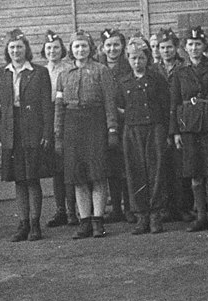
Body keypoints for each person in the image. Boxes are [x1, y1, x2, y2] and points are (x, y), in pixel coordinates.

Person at [0, 29, 54, 242]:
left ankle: (35, 224)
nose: (16, 51)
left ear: (26, 49)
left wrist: (47, 131)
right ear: (7, 51)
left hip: (32, 128)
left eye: (19, 47)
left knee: (32, 177)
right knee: (19, 179)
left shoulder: (39, 72)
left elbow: (47, 104)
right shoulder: (0, 74)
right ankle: (23, 224)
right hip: (10, 129)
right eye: (12, 48)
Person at [55, 30, 118, 238]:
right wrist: (58, 134)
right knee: (78, 177)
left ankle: (98, 220)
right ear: (71, 50)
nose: (80, 50)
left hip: (95, 123)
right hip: (72, 125)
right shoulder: (64, 74)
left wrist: (111, 129)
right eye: (76, 46)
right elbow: (59, 107)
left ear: (90, 48)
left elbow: (110, 102)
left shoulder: (101, 71)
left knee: (97, 174)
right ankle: (84, 221)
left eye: (84, 46)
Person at [169, 27, 208, 232]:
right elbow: (174, 103)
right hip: (188, 126)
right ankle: (200, 216)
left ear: (204, 46)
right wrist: (175, 131)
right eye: (190, 45)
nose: (194, 48)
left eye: (198, 44)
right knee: (194, 173)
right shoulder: (180, 72)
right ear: (185, 48)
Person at [116, 39, 169, 234]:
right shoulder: (123, 81)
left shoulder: (157, 79)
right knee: (135, 171)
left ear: (147, 58)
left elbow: (166, 106)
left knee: (156, 170)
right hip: (132, 130)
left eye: (141, 58)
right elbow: (119, 107)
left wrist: (167, 132)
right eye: (133, 58)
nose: (137, 62)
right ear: (128, 59)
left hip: (155, 128)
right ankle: (142, 216)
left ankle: (156, 215)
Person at [153, 28, 192, 223]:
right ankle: (166, 207)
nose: (166, 51)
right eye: (162, 48)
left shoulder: (184, 67)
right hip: (159, 120)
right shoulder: (153, 70)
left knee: (180, 165)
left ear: (176, 48)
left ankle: (183, 206)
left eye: (169, 47)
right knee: (163, 165)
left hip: (180, 118)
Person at [41, 30, 78, 227]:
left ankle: (73, 211)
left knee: (69, 166)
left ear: (62, 49)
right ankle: (60, 210)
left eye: (56, 47)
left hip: (66, 118)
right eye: (48, 48)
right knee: (56, 169)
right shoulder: (41, 71)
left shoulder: (69, 69)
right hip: (49, 120)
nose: (52, 51)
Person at [97, 28, 133, 224]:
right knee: (110, 167)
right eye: (108, 45)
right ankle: (116, 208)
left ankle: (129, 207)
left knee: (125, 164)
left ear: (122, 46)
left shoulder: (128, 67)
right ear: (102, 48)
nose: (112, 49)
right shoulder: (97, 67)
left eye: (116, 45)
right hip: (102, 124)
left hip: (125, 121)